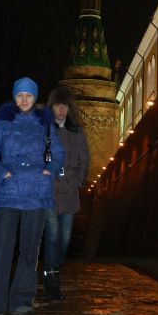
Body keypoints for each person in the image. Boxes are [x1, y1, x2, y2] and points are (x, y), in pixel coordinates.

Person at [0, 77, 66, 315]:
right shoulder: (2, 122)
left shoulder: (45, 123)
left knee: (29, 250)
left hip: (37, 193)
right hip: (9, 192)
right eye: (20, 95)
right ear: (14, 97)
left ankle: (21, 300)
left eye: (29, 95)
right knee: (2, 248)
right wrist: (2, 173)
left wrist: (49, 171)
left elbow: (58, 153)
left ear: (35, 98)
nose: (24, 100)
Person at [42, 86, 90, 300]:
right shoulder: (44, 130)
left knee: (65, 238)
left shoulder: (77, 132)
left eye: (65, 106)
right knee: (52, 234)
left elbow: (84, 159)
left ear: (69, 108)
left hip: (69, 189)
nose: (61, 109)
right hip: (49, 189)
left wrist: (78, 180)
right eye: (58, 105)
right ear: (52, 107)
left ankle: (54, 265)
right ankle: (51, 276)